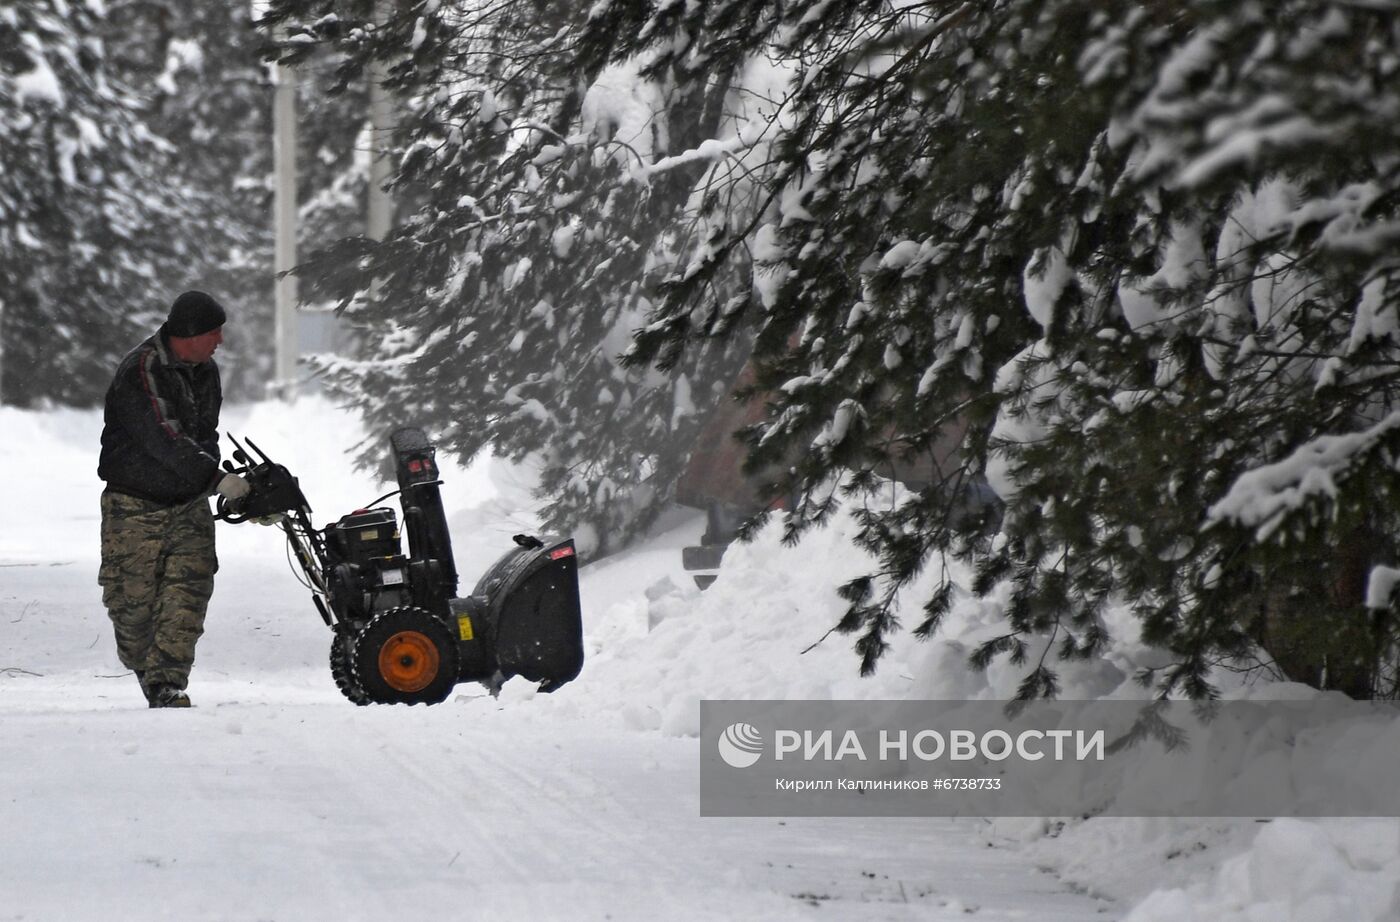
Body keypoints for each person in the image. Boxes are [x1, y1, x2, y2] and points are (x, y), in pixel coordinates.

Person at [97, 291, 251, 708]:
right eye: (214, 332)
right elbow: (163, 437)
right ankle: (143, 664)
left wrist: (222, 484)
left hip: (187, 503)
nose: (220, 340)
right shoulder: (142, 370)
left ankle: (167, 683)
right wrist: (216, 477)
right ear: (190, 333)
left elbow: (205, 435)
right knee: (132, 606)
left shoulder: (207, 372)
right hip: (134, 505)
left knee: (189, 591)